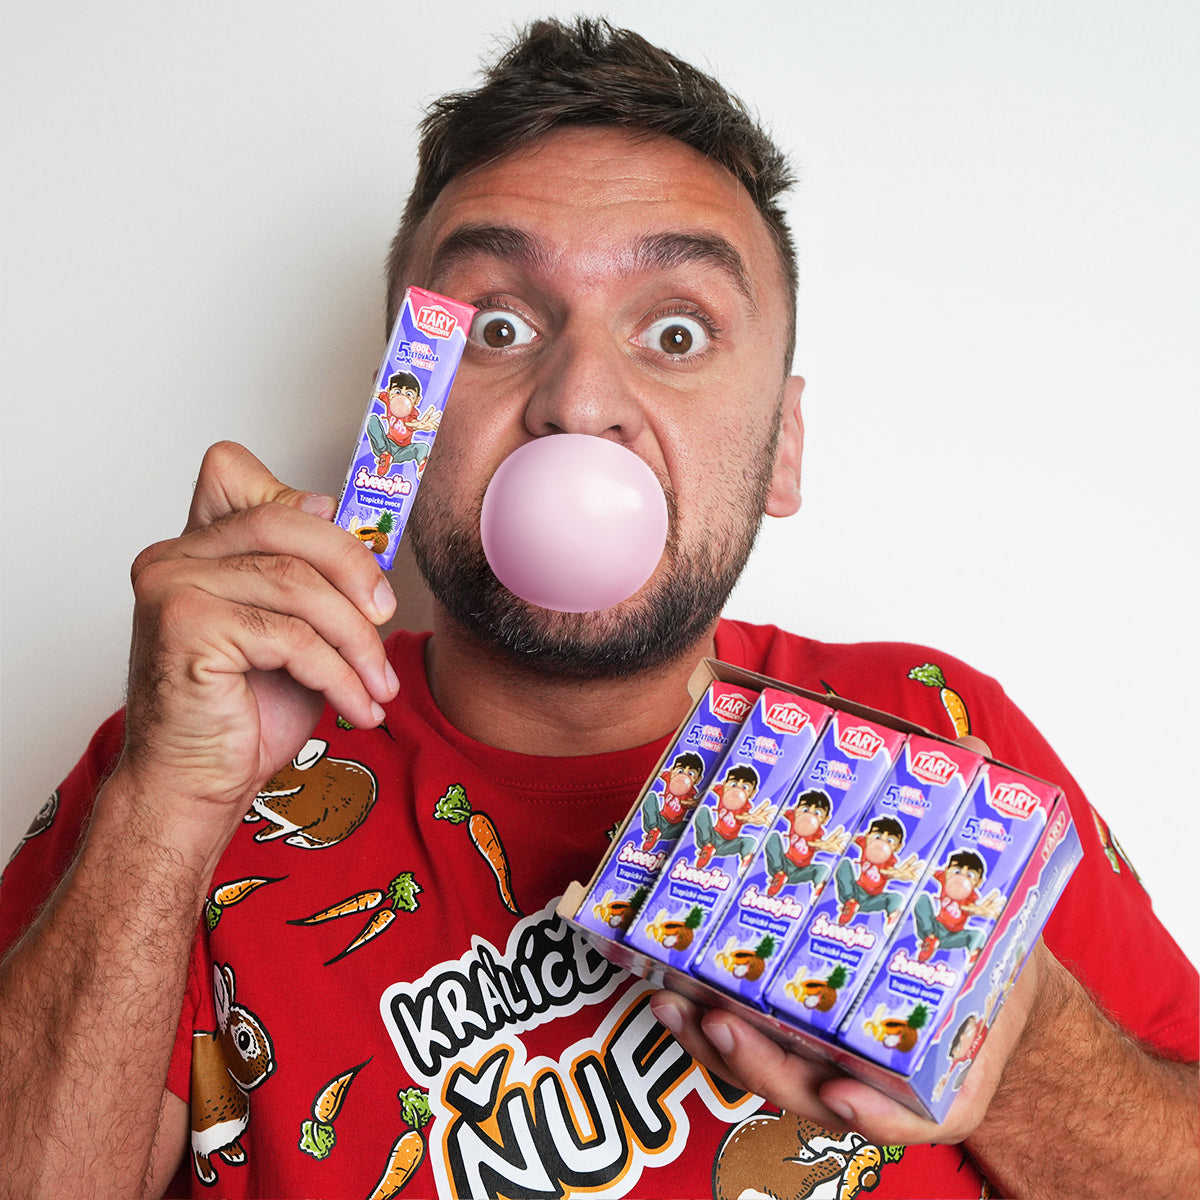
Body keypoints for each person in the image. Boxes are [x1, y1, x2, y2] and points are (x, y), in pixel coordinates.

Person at [0, 16, 1195, 1200]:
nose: (577, 402)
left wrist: (1026, 1052)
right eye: (500, 327)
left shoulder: (944, 740)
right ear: (397, 424)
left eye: (676, 331)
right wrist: (169, 804)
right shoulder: (185, 762)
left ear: (781, 446)